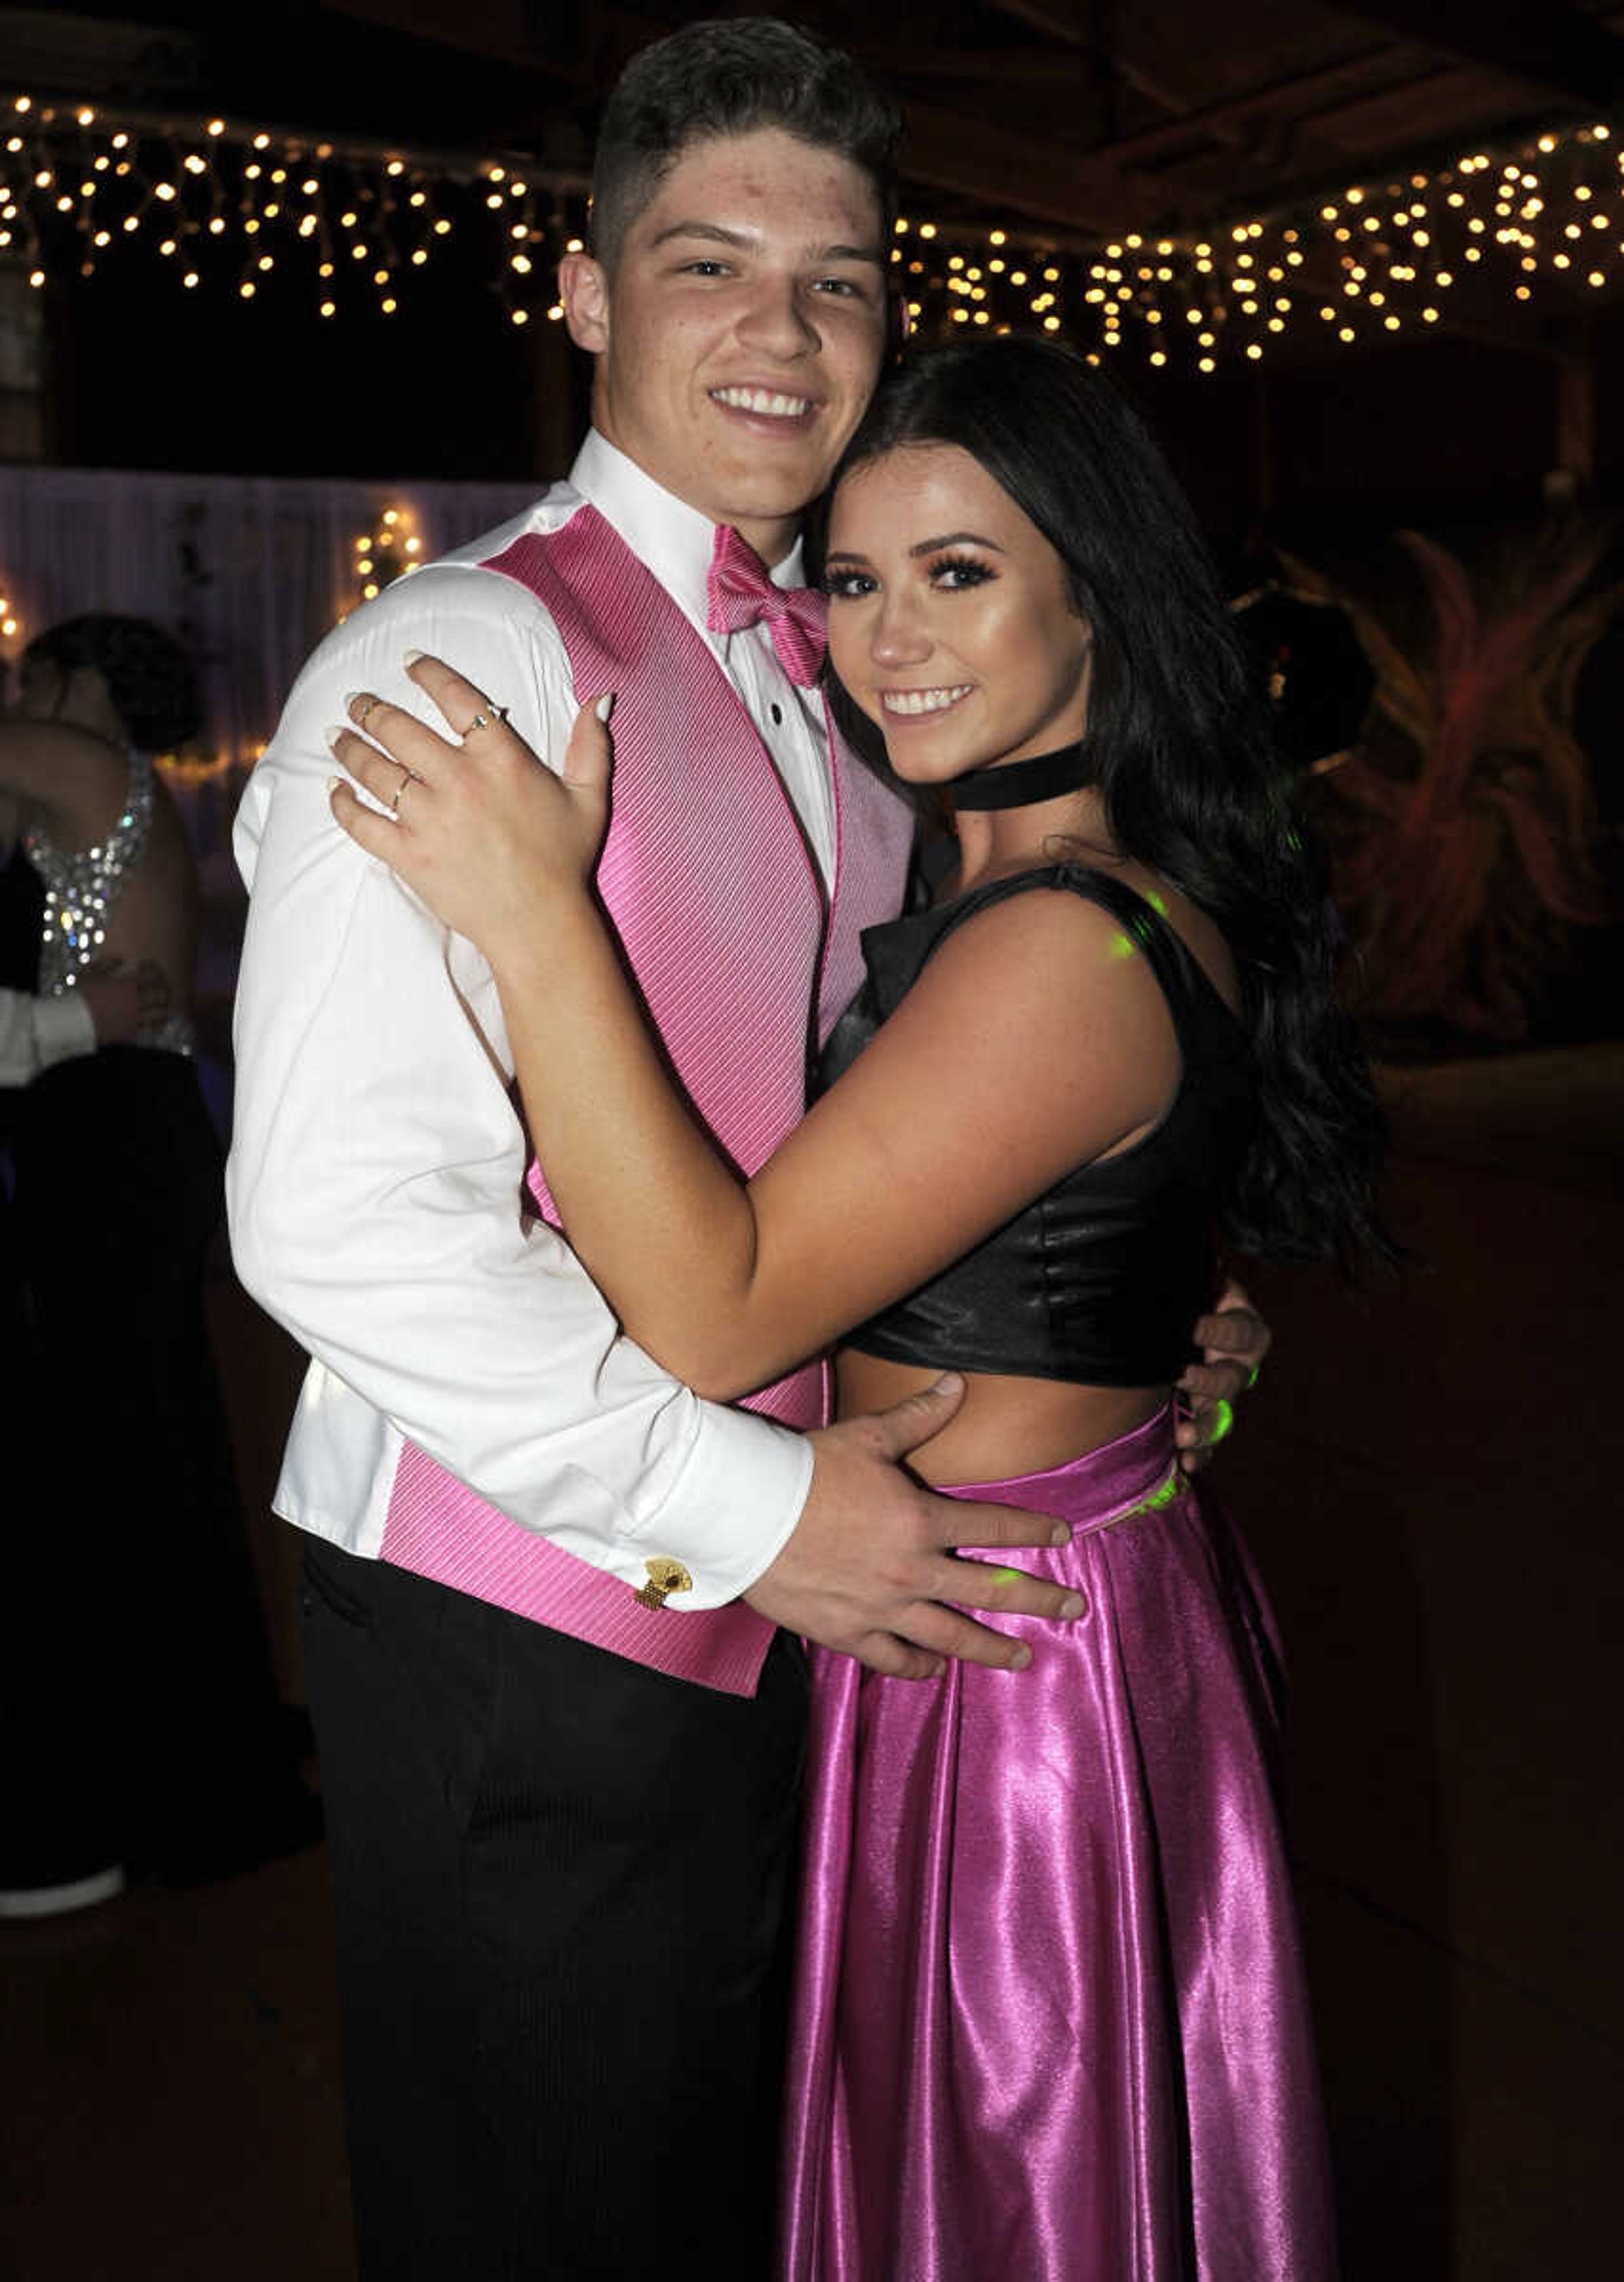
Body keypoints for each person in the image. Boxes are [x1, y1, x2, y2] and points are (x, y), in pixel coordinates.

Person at [230, 21, 1267, 2276]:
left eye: (843, 280)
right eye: (711, 266)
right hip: (542, 1629)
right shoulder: (464, 658)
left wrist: (1094, 1306)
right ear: (590, 298)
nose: (786, 334)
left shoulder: (881, 680)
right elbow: (330, 1214)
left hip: (829, 1610)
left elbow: (910, 1106)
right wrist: (752, 1501)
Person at [0, 614, 316, 1915]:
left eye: (32, 676)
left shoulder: (76, 768)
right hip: (141, 1128)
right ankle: (193, 1755)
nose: (16, 693)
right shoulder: (134, 795)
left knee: (107, 1453)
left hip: (98, 1136)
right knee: (154, 1444)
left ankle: (148, 1783)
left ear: (80, 685)